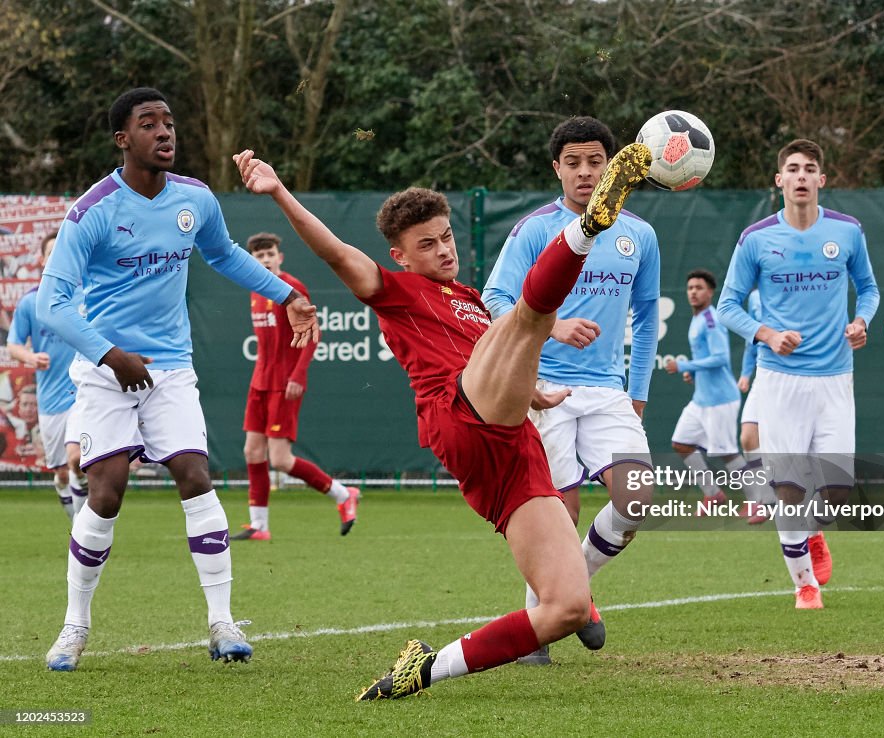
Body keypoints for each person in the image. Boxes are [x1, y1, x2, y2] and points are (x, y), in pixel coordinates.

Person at [233, 140, 652, 700]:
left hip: (511, 451)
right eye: (426, 245)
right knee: (530, 316)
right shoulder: (395, 290)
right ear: (400, 255)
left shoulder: (473, 301)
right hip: (458, 415)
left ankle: (424, 670)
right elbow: (336, 253)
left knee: (566, 609)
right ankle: (588, 227)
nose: (443, 250)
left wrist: (534, 396)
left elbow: (504, 369)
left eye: (446, 237)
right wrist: (279, 191)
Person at [36, 87, 319, 672]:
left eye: (169, 123)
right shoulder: (91, 212)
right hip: (104, 371)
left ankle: (222, 623)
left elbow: (225, 254)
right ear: (123, 140)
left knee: (195, 473)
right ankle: (74, 627)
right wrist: (112, 355)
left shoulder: (195, 198)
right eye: (149, 124)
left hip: (169, 369)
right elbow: (52, 305)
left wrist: (287, 293)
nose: (165, 132)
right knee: (107, 491)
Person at [481, 116, 658, 665]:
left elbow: (648, 319)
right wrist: (549, 324)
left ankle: (569, 593)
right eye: (573, 163)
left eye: (596, 162)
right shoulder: (536, 229)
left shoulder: (640, 235)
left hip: (607, 391)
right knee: (564, 513)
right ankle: (543, 618)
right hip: (543, 388)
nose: (585, 173)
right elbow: (495, 296)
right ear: (556, 168)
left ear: (612, 168)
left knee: (638, 500)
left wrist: (639, 393)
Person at [718, 138, 879, 609]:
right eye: (793, 168)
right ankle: (804, 586)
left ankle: (813, 535)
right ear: (780, 180)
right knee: (788, 489)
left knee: (833, 494)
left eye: (810, 168)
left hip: (834, 379)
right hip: (779, 379)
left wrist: (861, 321)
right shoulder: (756, 238)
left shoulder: (847, 232)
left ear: (821, 180)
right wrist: (766, 334)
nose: (802, 176)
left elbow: (868, 289)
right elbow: (728, 305)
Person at [232, 232, 358, 541]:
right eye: (259, 256)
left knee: (280, 460)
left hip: (284, 384)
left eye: (270, 254)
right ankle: (259, 526)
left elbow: (313, 333)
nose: (265, 260)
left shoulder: (291, 288)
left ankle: (343, 495)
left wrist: (298, 375)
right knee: (252, 451)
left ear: (280, 257)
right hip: (259, 381)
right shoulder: (255, 289)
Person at [6, 231, 88, 521]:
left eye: (60, 251)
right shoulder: (31, 302)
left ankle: (82, 533)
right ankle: (73, 511)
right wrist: (30, 357)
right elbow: (13, 345)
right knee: (63, 472)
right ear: (42, 259)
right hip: (51, 397)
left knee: (77, 459)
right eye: (50, 252)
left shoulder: (86, 294)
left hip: (84, 392)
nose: (56, 257)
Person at [665, 269, 750, 513]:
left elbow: (721, 358)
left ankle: (760, 499)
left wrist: (684, 365)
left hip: (720, 400)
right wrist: (694, 371)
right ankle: (713, 495)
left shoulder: (711, 320)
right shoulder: (698, 318)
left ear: (710, 292)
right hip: (701, 400)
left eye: (699, 288)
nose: (693, 292)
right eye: (690, 288)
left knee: (728, 453)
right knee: (681, 443)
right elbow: (707, 358)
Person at [735, 288, 774, 524]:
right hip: (763, 372)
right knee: (749, 437)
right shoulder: (755, 296)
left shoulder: (791, 284)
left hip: (791, 375)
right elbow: (752, 338)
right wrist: (745, 373)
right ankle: (766, 501)